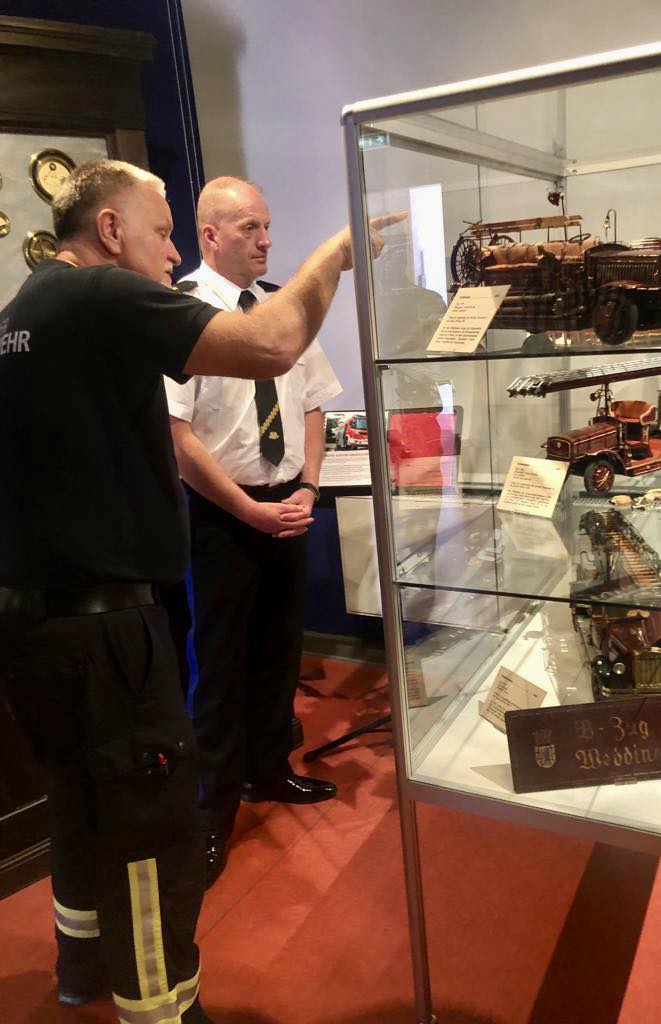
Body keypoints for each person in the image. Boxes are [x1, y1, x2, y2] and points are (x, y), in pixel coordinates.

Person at [0, 158, 397, 1024]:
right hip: (106, 627)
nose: (173, 250)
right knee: (151, 827)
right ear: (111, 231)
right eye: (164, 231)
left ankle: (82, 967)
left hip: (37, 620)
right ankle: (163, 1007)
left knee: (79, 802)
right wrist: (335, 253)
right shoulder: (102, 294)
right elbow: (273, 345)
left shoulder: (26, 307)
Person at [164, 177, 341, 889]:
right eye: (249, 228)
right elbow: (175, 434)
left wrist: (307, 487)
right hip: (220, 515)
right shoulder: (182, 314)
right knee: (218, 664)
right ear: (210, 234)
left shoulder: (278, 312)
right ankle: (210, 813)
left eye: (267, 226)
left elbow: (314, 405)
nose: (267, 240)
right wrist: (246, 509)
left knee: (278, 650)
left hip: (286, 506)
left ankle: (268, 771)